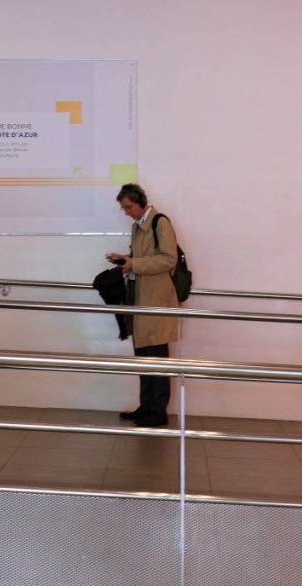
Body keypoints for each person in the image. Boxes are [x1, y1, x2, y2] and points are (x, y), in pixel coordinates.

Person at [106, 183, 180, 428]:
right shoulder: (137, 227)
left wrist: (134, 264)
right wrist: (125, 261)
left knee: (157, 356)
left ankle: (159, 410)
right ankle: (147, 405)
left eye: (128, 207)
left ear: (140, 202)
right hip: (140, 298)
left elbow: (168, 260)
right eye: (123, 208)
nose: (126, 212)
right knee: (143, 356)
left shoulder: (160, 223)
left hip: (156, 300)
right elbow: (141, 260)